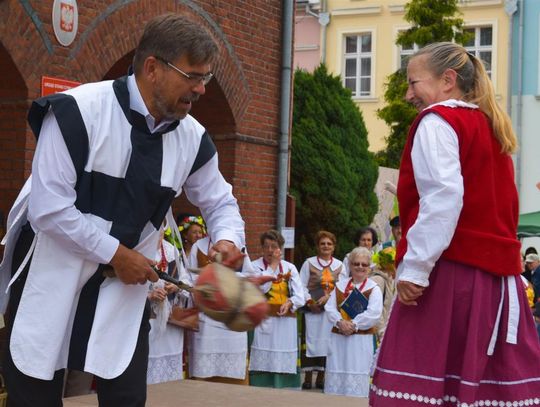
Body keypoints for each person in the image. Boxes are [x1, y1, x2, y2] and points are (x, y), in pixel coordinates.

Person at [0, 14, 246, 406]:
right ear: (152, 68)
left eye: (206, 78)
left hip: (121, 291)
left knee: (127, 399)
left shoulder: (193, 139)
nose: (201, 89)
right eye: (193, 76)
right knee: (34, 397)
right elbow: (48, 210)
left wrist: (228, 241)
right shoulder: (77, 111)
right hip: (52, 273)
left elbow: (220, 202)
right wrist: (117, 254)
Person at [370, 42, 540, 406]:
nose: (408, 94)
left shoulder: (438, 121)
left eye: (414, 83)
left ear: (447, 80)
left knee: (420, 390)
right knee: (478, 394)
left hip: (451, 275)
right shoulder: (491, 126)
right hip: (496, 282)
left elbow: (444, 198)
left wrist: (416, 269)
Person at [186, 235, 252, 384]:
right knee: (205, 371)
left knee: (233, 370)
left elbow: (249, 275)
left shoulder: (238, 245)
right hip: (207, 317)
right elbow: (190, 278)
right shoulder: (198, 246)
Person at [249, 230, 305, 388]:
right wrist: (273, 266)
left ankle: (283, 388)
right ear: (261, 248)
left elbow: (300, 296)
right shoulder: (254, 266)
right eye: (266, 246)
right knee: (263, 353)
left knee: (282, 355)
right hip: (263, 320)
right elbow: (261, 289)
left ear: (280, 248)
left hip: (285, 322)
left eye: (273, 246)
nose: (269, 250)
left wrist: (290, 302)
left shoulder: (289, 267)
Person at [324, 247, 382, 397]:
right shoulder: (340, 286)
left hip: (360, 340)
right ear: (350, 265)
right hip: (339, 339)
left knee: (358, 372)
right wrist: (340, 322)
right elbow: (329, 308)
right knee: (338, 372)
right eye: (356, 263)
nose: (360, 267)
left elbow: (374, 313)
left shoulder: (373, 288)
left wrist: (354, 324)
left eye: (364, 264)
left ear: (369, 267)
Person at [299, 230, 344, 390]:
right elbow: (301, 285)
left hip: (330, 312)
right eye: (322, 243)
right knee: (311, 341)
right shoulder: (308, 263)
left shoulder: (340, 265)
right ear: (318, 246)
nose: (326, 246)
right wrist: (309, 301)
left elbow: (342, 287)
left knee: (328, 342)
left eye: (329, 244)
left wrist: (329, 297)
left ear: (334, 247)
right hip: (313, 309)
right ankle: (308, 377)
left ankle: (321, 377)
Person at [147, 233, 191, 384]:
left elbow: (185, 282)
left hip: (170, 322)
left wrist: (176, 287)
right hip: (148, 320)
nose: (158, 236)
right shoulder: (141, 248)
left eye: (160, 232)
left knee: (170, 372)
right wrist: (150, 295)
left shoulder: (171, 251)